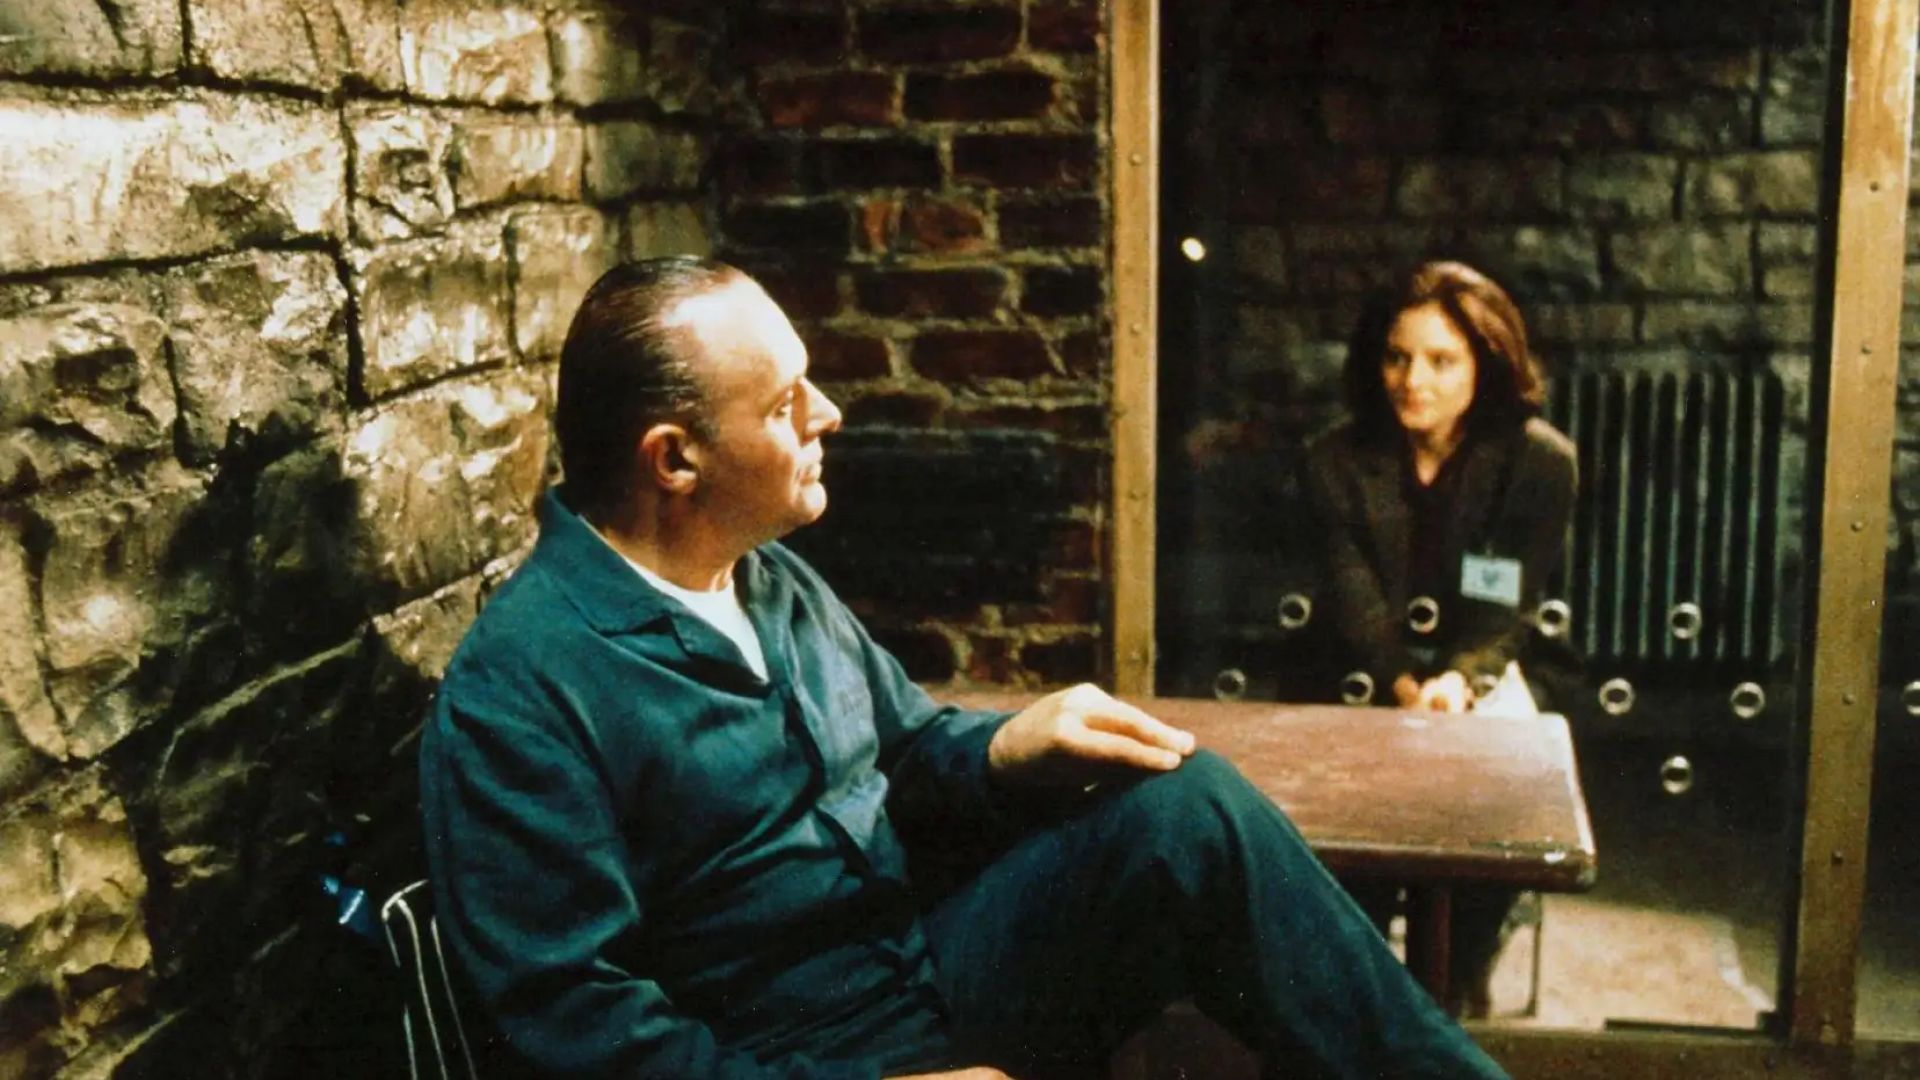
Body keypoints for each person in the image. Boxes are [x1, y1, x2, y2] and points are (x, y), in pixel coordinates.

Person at [419, 256, 1510, 1078]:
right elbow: (576, 1027)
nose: (828, 414)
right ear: (675, 459)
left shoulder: (764, 576)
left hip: (918, 962)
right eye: (787, 403)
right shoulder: (524, 689)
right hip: (786, 1049)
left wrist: (1004, 747)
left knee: (1188, 812)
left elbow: (902, 750)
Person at [1301, 260, 1579, 1015]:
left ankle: (1456, 983)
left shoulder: (1539, 462)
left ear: (1486, 365)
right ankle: (1362, 992)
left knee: (1500, 811)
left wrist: (1458, 681)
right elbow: (1355, 602)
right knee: (1349, 847)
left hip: (1475, 667)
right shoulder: (1333, 460)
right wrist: (1403, 686)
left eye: (1440, 360)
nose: (1412, 380)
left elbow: (1509, 603)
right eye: (1397, 357)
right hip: (1366, 672)